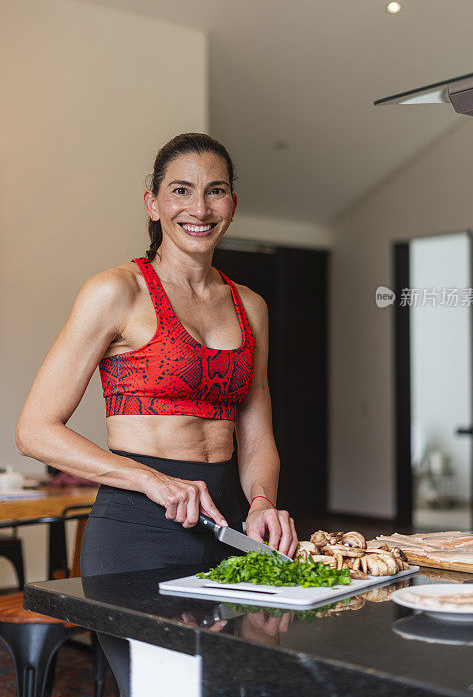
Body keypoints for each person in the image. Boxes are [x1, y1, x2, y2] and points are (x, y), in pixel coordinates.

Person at [16, 132, 298, 693]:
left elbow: (258, 438)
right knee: (166, 689)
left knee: (235, 685)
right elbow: (34, 429)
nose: (199, 208)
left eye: (215, 191)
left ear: (232, 206)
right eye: (181, 191)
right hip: (137, 533)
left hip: (227, 530)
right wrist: (152, 481)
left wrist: (263, 500)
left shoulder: (250, 307)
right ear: (152, 203)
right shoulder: (115, 291)